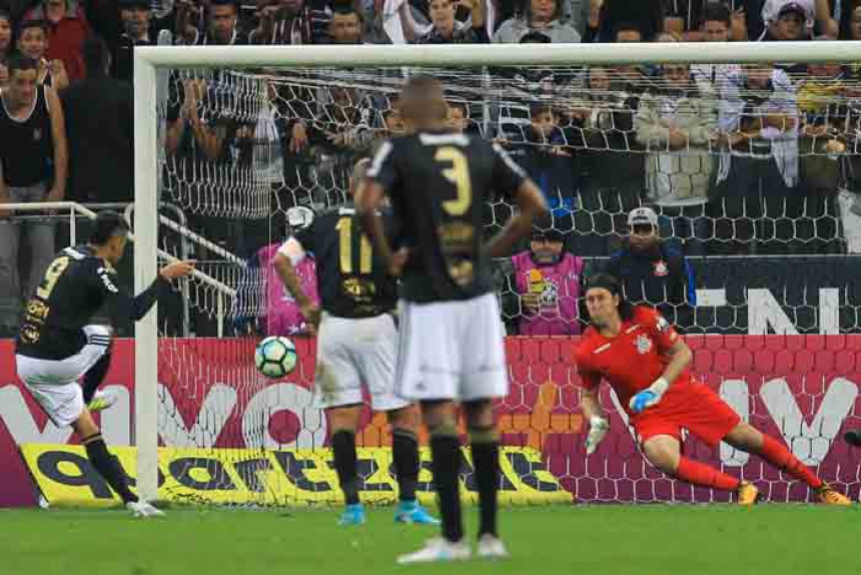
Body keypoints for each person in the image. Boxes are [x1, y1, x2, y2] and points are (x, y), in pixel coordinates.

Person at [357, 76, 547, 563]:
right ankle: (489, 536)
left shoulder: (399, 151)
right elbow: (534, 205)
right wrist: (488, 252)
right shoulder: (481, 147)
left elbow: (366, 203)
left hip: (428, 297)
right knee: (482, 415)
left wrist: (388, 258)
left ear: (409, 110)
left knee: (439, 415)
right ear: (445, 109)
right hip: (478, 296)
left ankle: (452, 538)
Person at [575, 273, 851, 505]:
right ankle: (742, 489)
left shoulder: (644, 318)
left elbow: (682, 353)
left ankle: (822, 489)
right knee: (661, 457)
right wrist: (597, 420)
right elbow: (588, 396)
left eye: (601, 297)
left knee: (747, 438)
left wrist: (658, 387)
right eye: (590, 299)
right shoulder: (587, 350)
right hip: (649, 414)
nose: (595, 304)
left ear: (615, 299)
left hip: (682, 393)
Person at [276, 158, 438, 526]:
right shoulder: (395, 222)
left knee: (343, 421)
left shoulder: (321, 220)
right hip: (378, 325)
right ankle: (408, 506)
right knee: (403, 416)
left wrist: (306, 306)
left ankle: (352, 509)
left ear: (350, 186)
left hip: (333, 328)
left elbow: (282, 261)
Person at [14, 211, 195, 517]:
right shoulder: (98, 269)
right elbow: (133, 313)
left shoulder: (67, 252)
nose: (123, 250)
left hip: (26, 360)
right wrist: (164, 277)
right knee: (104, 335)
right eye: (123, 243)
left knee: (88, 430)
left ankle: (132, 500)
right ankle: (88, 394)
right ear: (114, 242)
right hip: (53, 362)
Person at [0, 54, 68, 338]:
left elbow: (60, 143)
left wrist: (58, 189)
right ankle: (8, 318)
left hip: (41, 186)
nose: (27, 89)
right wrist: (2, 194)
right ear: (8, 81)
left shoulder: (48, 97)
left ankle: (34, 317)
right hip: (7, 186)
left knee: (44, 255)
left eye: (31, 82)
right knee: (4, 258)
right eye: (20, 83)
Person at [60, 36, 134, 206]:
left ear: (82, 59)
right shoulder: (128, 93)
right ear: (108, 59)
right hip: (121, 187)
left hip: (79, 187)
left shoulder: (66, 95)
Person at [605, 207, 696, 330]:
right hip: (625, 333)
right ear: (628, 231)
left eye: (646, 229)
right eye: (636, 230)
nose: (641, 236)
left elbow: (687, 308)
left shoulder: (675, 261)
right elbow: (605, 306)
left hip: (665, 334)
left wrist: (660, 327)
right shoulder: (615, 263)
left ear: (656, 231)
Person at [508, 217, 584, 335]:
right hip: (526, 345)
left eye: (553, 240)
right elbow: (494, 302)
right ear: (531, 243)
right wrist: (518, 303)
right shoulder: (514, 265)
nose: (546, 245)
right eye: (539, 240)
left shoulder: (578, 265)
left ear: (562, 243)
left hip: (572, 343)